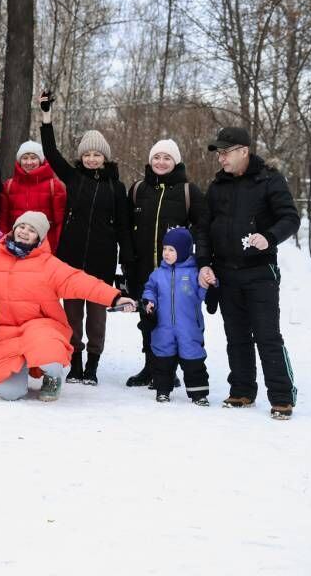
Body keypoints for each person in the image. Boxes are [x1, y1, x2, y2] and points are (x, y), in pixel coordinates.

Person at [196, 127, 299, 420]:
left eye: (226, 152)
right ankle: (242, 390)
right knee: (236, 336)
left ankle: (281, 396)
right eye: (218, 153)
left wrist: (270, 236)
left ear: (244, 151)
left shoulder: (269, 180)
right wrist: (204, 262)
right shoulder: (217, 187)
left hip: (260, 272)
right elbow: (204, 227)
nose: (221, 158)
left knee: (267, 336)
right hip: (226, 273)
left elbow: (290, 217)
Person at [0, 212, 136, 402]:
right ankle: (22, 366)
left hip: (39, 326)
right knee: (9, 393)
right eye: (22, 227)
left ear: (39, 237)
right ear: (14, 229)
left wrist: (115, 298)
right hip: (5, 330)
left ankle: (52, 377)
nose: (25, 232)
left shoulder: (49, 265)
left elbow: (80, 282)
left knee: (50, 357)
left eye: (32, 230)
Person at [39, 92, 133, 386]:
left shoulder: (117, 188)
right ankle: (75, 363)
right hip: (71, 259)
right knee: (72, 315)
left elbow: (123, 227)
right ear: (82, 157)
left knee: (96, 316)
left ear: (105, 158)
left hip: (102, 262)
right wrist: (46, 117)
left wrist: (127, 262)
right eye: (88, 154)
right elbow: (51, 152)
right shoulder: (74, 178)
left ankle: (92, 365)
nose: (92, 159)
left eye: (97, 155)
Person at [123, 139, 206, 388]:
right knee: (148, 318)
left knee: (176, 321)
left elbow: (202, 227)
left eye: (166, 158)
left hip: (176, 273)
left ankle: (172, 370)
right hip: (143, 269)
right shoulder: (138, 189)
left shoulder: (188, 191)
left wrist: (198, 260)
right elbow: (125, 228)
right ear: (150, 161)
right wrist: (126, 260)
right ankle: (151, 367)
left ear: (176, 162)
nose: (161, 162)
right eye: (156, 157)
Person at [139, 228, 210, 405]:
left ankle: (198, 393)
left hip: (189, 327)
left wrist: (209, 284)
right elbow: (150, 289)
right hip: (163, 327)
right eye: (165, 249)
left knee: (193, 359)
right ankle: (163, 390)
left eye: (172, 250)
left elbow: (203, 294)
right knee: (163, 360)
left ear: (184, 250)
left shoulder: (194, 273)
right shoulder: (158, 273)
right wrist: (149, 300)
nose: (166, 253)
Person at [0, 140, 66, 254]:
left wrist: (59, 249)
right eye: (25, 158)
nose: (29, 162)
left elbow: (60, 222)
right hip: (15, 247)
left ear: (41, 160)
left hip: (46, 248)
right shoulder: (9, 186)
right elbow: (3, 221)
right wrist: (2, 244)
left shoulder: (54, 186)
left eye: (33, 157)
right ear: (19, 161)